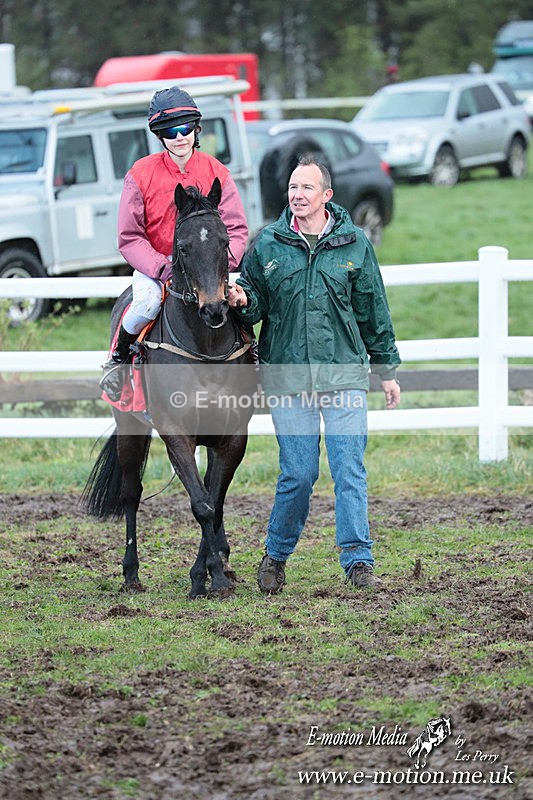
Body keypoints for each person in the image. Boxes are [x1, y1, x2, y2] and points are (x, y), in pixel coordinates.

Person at [228, 155, 401, 593]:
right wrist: (242, 299)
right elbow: (254, 302)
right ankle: (276, 555)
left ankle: (359, 562)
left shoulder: (354, 244)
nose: (297, 195)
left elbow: (373, 311)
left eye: (306, 188)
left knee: (349, 470)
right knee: (299, 474)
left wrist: (385, 371)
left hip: (343, 376)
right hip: (287, 380)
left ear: (327, 195)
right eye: (292, 187)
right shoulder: (267, 244)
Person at [100, 86, 249, 401]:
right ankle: (118, 361)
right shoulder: (140, 174)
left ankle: (254, 357)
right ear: (160, 135)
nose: (180, 137)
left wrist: (225, 262)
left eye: (185, 128)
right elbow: (129, 236)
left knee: (239, 303)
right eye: (170, 131)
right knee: (145, 304)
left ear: (195, 129)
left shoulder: (216, 172)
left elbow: (236, 227)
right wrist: (161, 267)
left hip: (211, 266)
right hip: (158, 268)